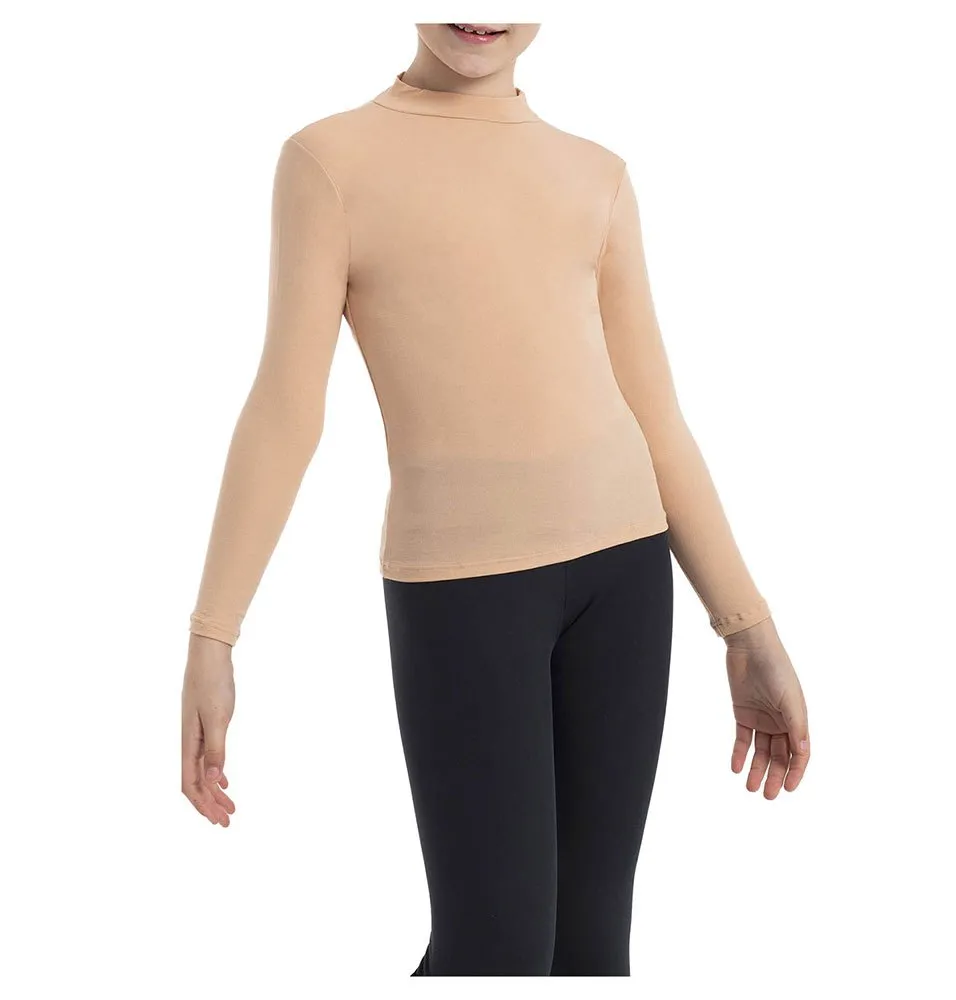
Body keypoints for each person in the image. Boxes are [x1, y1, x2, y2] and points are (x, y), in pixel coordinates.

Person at [181, 22, 811, 977]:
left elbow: (658, 421)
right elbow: (285, 411)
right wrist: (214, 635)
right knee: (494, 953)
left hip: (625, 580)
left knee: (590, 952)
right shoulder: (330, 162)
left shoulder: (595, 174)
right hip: (462, 596)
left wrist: (748, 628)